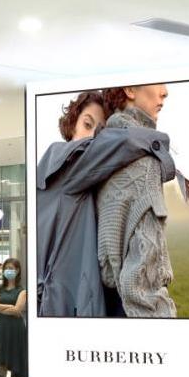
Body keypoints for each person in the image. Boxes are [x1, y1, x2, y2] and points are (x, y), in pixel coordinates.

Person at [36, 90, 175, 318]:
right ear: (71, 125)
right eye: (87, 124)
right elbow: (123, 142)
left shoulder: (91, 182)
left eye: (100, 132)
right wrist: (163, 152)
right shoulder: (63, 160)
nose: (93, 137)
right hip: (63, 306)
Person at [97, 85, 178, 317]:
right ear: (130, 89)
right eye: (158, 82)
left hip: (103, 304)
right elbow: (141, 278)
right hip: (138, 312)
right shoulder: (144, 162)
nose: (165, 92)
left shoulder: (102, 153)